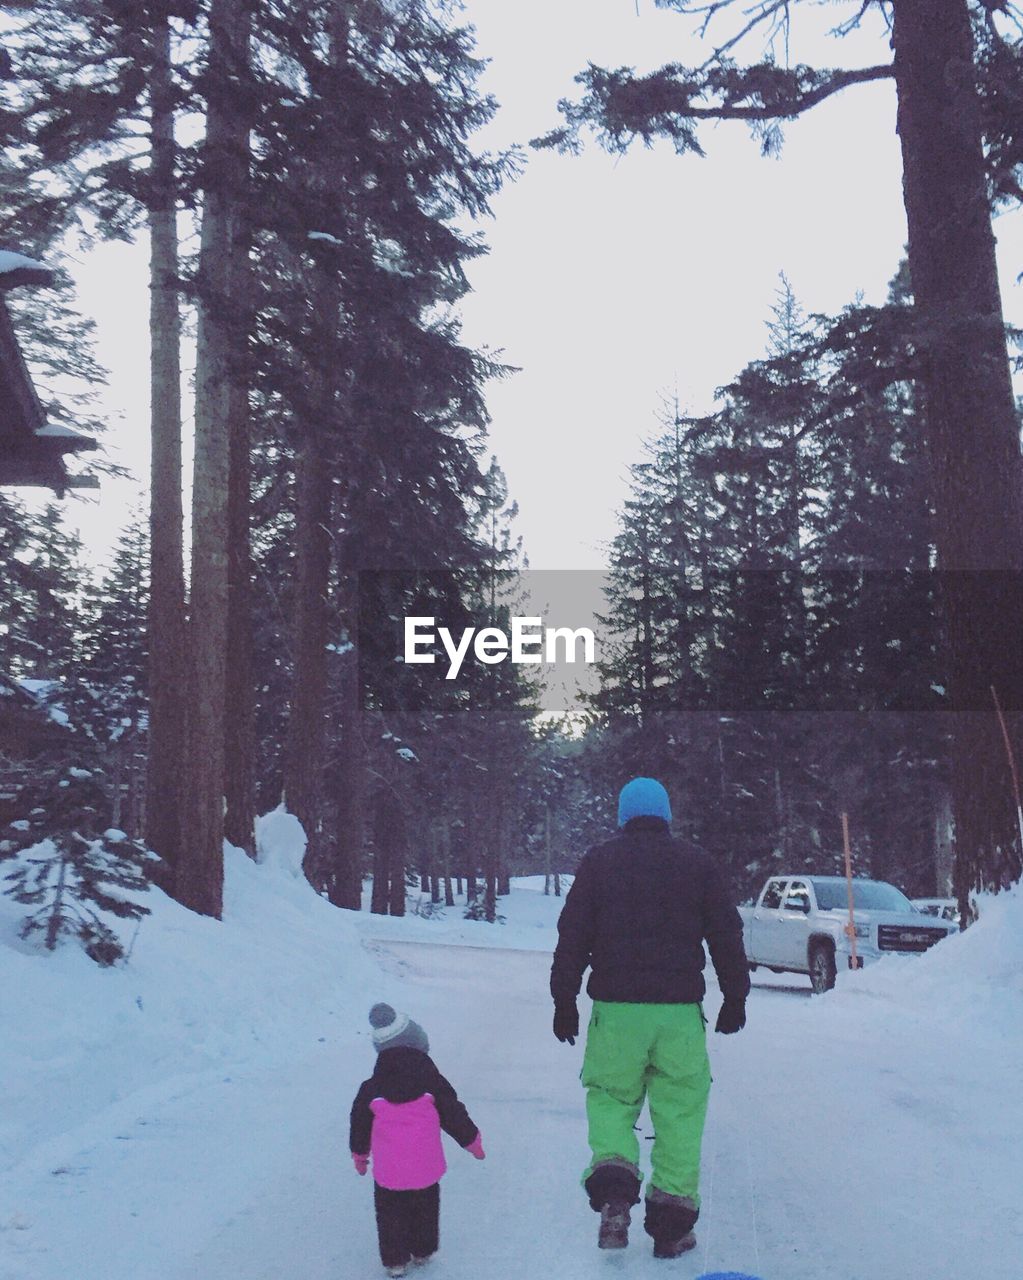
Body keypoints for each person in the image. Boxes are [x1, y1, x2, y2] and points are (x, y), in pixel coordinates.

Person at [550, 777, 749, 1258]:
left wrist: (564, 1000)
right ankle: (672, 1227)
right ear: (666, 816)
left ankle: (615, 1193)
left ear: (623, 817)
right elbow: (726, 932)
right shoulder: (697, 864)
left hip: (615, 1012)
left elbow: (572, 933)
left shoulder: (599, 863)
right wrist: (734, 997)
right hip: (678, 1013)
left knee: (612, 1099)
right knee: (680, 1110)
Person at [350, 1003, 485, 1277]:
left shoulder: (371, 1088)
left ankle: (395, 1261)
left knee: (390, 1215)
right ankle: (422, 1251)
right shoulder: (432, 1082)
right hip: (426, 1167)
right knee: (425, 1208)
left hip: (389, 1172)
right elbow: (453, 1112)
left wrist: (360, 1155)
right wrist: (472, 1141)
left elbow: (359, 1124)